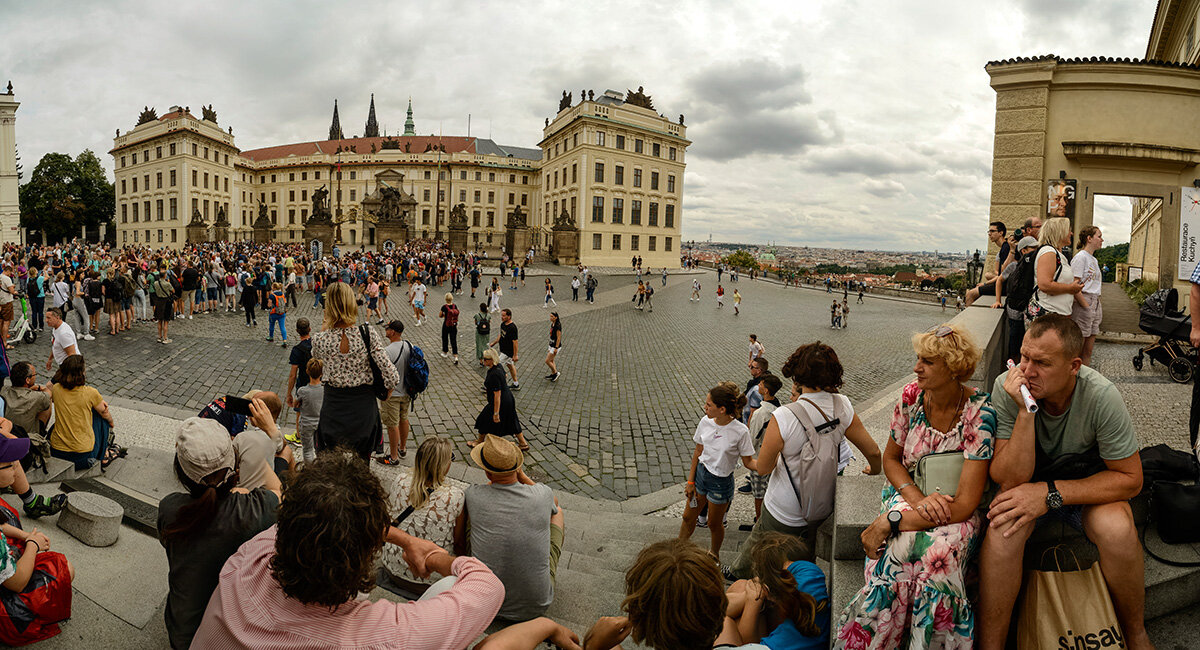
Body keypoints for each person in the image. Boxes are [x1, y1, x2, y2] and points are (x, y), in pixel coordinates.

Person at [191, 451, 505, 648]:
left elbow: (313, 519)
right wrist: (430, 553)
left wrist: (406, 539)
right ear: (368, 552)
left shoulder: (246, 559)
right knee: (450, 584)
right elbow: (488, 585)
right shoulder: (382, 638)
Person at [978, 315, 1151, 650]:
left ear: (1074, 366)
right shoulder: (1008, 387)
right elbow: (1008, 478)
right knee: (1002, 535)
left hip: (1081, 488)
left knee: (1117, 530)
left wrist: (1050, 493)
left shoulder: (1101, 396)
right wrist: (1026, 413)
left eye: (1042, 362)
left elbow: (1131, 479)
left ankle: (1135, 633)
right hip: (1026, 487)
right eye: (1024, 356)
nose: (1027, 371)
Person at [834, 323, 994, 648]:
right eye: (918, 358)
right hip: (909, 491)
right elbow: (891, 460)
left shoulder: (980, 413)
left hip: (956, 509)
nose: (916, 367)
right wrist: (917, 499)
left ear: (952, 368)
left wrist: (890, 520)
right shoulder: (911, 396)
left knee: (939, 557)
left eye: (927, 361)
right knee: (896, 550)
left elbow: (964, 505)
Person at [728, 342, 882, 580]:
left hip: (783, 509)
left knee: (761, 546)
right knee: (802, 560)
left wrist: (749, 462)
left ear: (798, 378)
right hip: (819, 506)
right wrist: (874, 470)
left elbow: (765, 468)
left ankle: (740, 575)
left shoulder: (784, 416)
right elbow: (873, 451)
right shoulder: (844, 406)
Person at [158, 414, 281, 650]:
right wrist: (272, 439)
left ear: (181, 472)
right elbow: (278, 491)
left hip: (183, 634)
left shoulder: (170, 508)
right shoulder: (256, 510)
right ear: (233, 466)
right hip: (232, 638)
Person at [456, 434, 564, 622]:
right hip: (536, 606)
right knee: (558, 512)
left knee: (470, 519)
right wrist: (521, 476)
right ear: (517, 467)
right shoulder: (542, 494)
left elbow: (491, 486)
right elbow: (553, 503)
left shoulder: (473, 495)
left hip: (484, 604)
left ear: (487, 473)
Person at [311, 282, 399, 461]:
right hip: (363, 407)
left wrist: (326, 322)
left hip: (334, 406)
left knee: (331, 463)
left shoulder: (320, 340)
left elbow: (315, 354)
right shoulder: (367, 333)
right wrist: (386, 394)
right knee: (362, 461)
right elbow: (392, 375)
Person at [0, 435, 74, 646]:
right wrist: (33, 544)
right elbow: (16, 582)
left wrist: (25, 536)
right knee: (64, 568)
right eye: (10, 464)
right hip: (5, 609)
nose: (16, 467)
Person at [680, 382, 757, 559]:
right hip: (701, 474)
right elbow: (698, 451)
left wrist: (770, 464)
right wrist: (690, 481)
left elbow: (748, 462)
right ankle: (678, 549)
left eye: (708, 405)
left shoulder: (740, 431)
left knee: (713, 524)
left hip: (721, 483)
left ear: (722, 409)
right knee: (686, 517)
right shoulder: (705, 422)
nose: (704, 407)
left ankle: (714, 554)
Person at [382, 437, 465, 595]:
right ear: (445, 466)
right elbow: (459, 542)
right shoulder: (455, 496)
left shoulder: (400, 480)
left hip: (391, 566)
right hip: (428, 580)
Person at [723, 533, 830, 649]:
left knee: (724, 621)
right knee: (741, 585)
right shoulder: (811, 578)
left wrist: (753, 599)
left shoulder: (805, 575)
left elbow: (747, 643)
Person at [48, 354, 118, 469]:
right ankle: (104, 454)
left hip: (57, 452)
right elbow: (105, 413)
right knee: (100, 415)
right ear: (82, 373)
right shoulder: (90, 393)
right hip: (83, 457)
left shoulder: (56, 389)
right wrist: (111, 422)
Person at [1027, 216, 1083, 322]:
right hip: (1048, 314)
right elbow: (1044, 285)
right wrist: (1070, 288)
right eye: (1069, 231)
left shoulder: (1056, 253)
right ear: (1059, 232)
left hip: (1055, 314)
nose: (1071, 234)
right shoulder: (1049, 252)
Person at [474, 349, 528, 450]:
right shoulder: (498, 366)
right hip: (508, 398)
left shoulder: (494, 374)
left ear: (492, 359)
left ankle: (479, 441)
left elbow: (497, 395)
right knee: (512, 420)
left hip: (501, 401)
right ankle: (523, 443)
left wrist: (496, 413)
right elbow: (505, 375)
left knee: (483, 418)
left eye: (486, 359)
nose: (484, 360)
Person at [377, 320, 412, 465]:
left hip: (393, 394)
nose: (386, 331)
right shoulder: (410, 346)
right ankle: (402, 448)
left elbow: (383, 374)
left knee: (392, 424)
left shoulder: (387, 351)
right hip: (407, 391)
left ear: (393, 332)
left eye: (388, 329)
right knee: (404, 418)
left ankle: (393, 457)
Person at [1070, 225, 1104, 366]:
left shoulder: (1093, 260)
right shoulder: (1080, 258)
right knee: (1077, 350)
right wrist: (1086, 306)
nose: (1102, 239)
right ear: (1089, 239)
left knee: (1088, 351)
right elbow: (1074, 285)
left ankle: (1084, 381)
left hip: (1095, 301)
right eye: (1099, 236)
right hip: (1084, 301)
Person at [964, 221, 1009, 306]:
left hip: (1004, 286)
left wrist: (985, 284)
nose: (989, 234)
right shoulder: (1005, 247)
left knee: (970, 294)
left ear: (1000, 233)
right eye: (989, 231)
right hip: (1003, 284)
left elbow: (1003, 275)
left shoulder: (1005, 248)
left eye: (992, 231)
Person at [292, 359, 324, 464]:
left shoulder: (303, 391)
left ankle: (309, 469)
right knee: (321, 449)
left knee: (307, 449)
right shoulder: (325, 389)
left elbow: (295, 404)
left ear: (307, 371)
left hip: (306, 423)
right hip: (321, 422)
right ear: (322, 373)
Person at [491, 308, 520, 390]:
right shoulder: (503, 324)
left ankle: (494, 385)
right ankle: (516, 383)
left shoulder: (512, 327)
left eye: (504, 316)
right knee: (510, 366)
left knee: (496, 365)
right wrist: (494, 342)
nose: (502, 317)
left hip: (507, 352)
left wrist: (515, 355)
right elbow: (501, 334)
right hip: (503, 349)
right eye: (501, 315)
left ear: (509, 316)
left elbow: (515, 342)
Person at [44, 307, 78, 372]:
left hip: (69, 368)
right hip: (63, 365)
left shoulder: (64, 334)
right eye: (46, 317)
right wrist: (50, 359)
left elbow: (72, 356)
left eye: (49, 318)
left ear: (57, 317)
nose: (46, 320)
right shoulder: (55, 327)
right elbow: (55, 345)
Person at [152, 270, 175, 344]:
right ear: (165, 276)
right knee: (166, 321)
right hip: (166, 302)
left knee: (159, 320)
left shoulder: (156, 283)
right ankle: (165, 338)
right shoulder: (167, 284)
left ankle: (159, 337)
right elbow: (173, 291)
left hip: (159, 302)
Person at [439, 292, 460, 364]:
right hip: (454, 325)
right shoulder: (455, 306)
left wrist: (445, 316)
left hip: (446, 325)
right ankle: (455, 356)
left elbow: (440, 315)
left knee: (445, 338)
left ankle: (445, 352)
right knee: (453, 340)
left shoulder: (444, 307)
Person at [266, 282, 288, 348]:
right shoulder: (283, 294)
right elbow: (285, 302)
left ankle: (271, 336)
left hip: (274, 313)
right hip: (282, 313)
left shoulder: (272, 295)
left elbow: (269, 305)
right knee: (282, 327)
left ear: (274, 288)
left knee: (272, 325)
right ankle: (284, 340)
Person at [544, 312, 562, 382]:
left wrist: (556, 348)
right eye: (550, 316)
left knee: (547, 361)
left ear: (556, 317)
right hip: (551, 344)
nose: (550, 318)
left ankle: (555, 373)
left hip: (555, 346)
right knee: (551, 360)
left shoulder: (557, 325)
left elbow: (558, 337)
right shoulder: (553, 324)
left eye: (552, 317)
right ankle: (553, 373)